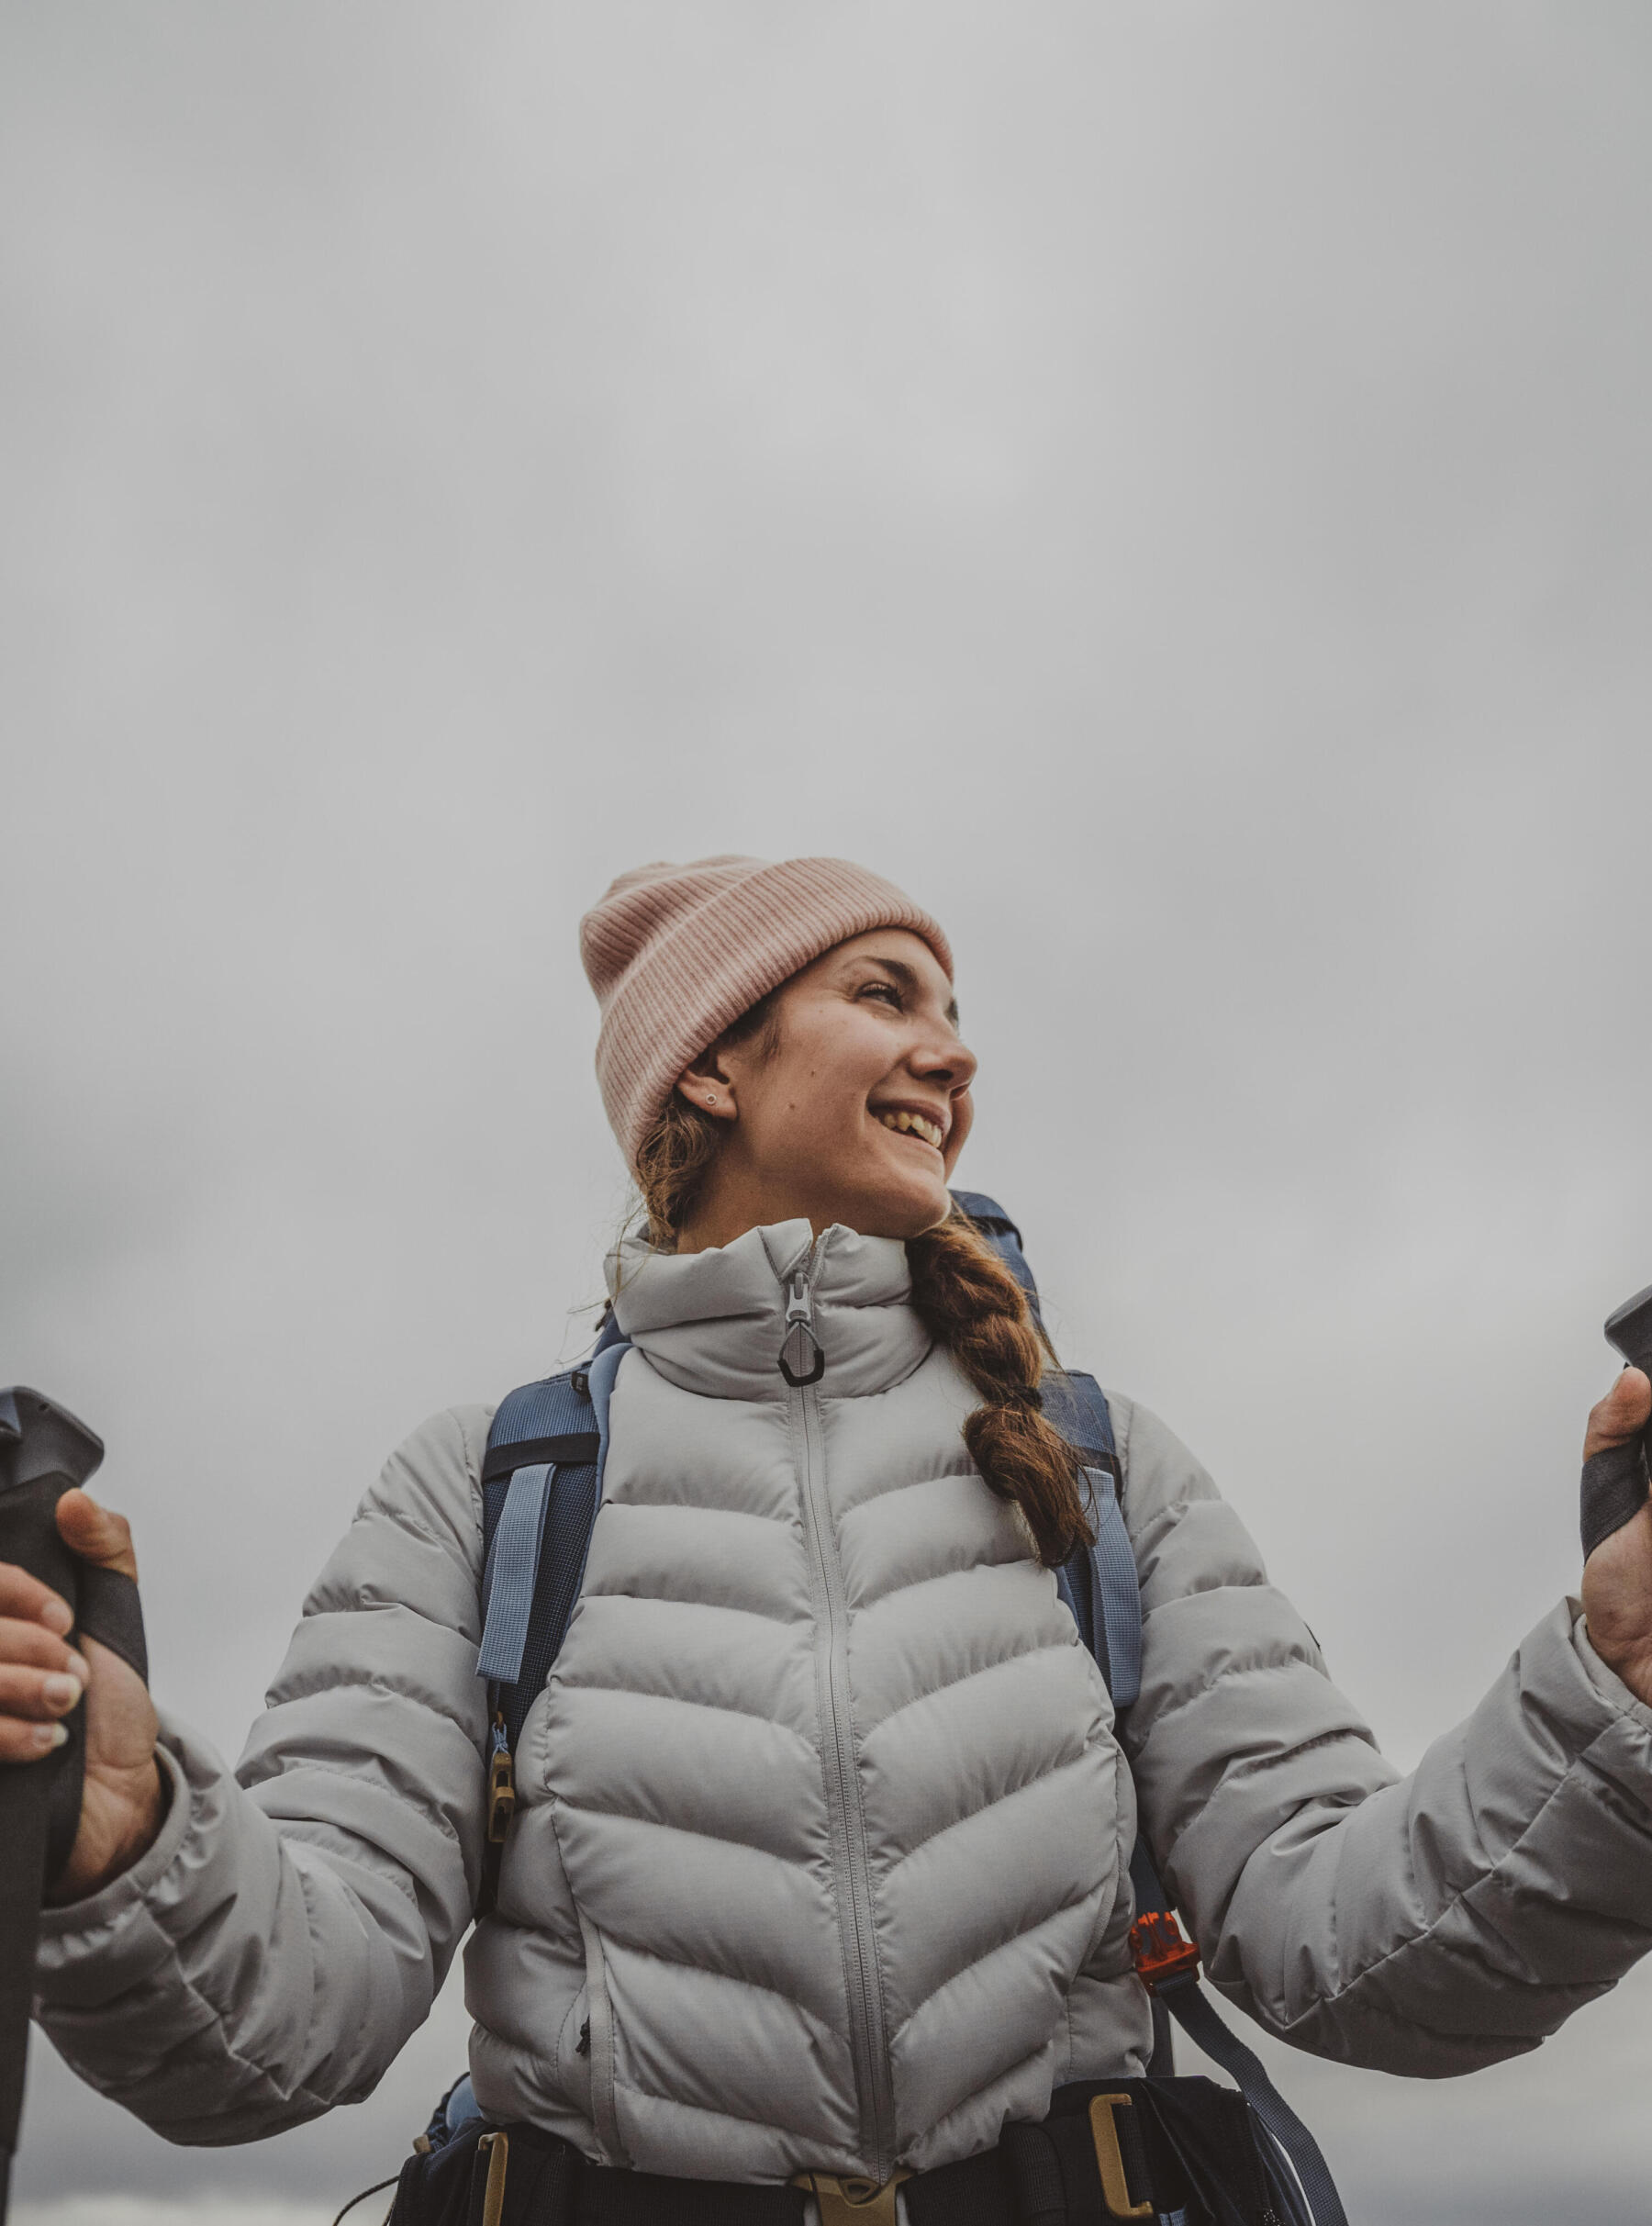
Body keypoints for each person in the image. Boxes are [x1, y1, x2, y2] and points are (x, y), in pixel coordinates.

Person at [7, 854, 1652, 2223]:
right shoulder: (491, 1484)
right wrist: (127, 1835)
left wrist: (1611, 1706)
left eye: (954, 1013)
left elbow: (1353, 1948)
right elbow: (287, 2028)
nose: (955, 1055)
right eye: (886, 996)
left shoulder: (1101, 1460)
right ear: (710, 1066)